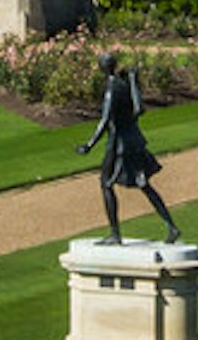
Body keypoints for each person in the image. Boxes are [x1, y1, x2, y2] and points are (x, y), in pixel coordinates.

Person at [76, 51, 180, 244]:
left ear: (102, 68)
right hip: (135, 140)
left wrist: (89, 145)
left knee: (106, 183)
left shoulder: (111, 89)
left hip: (120, 144)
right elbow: (139, 109)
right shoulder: (125, 84)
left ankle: (115, 234)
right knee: (144, 184)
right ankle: (171, 226)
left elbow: (105, 120)